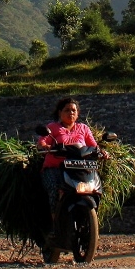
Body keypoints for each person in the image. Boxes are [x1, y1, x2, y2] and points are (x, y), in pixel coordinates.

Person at [38, 97, 98, 226]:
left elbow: (93, 146)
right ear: (60, 112)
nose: (71, 113)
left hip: (78, 169)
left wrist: (102, 152)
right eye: (67, 110)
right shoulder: (52, 127)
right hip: (55, 168)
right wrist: (46, 146)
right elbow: (42, 141)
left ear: (77, 114)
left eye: (73, 110)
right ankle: (55, 225)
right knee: (55, 189)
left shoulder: (83, 128)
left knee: (95, 188)